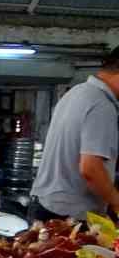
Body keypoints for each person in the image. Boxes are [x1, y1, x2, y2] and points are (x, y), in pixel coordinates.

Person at [28, 46, 119, 224]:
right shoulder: (102, 105)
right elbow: (90, 169)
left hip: (46, 206)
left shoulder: (76, 93)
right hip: (69, 216)